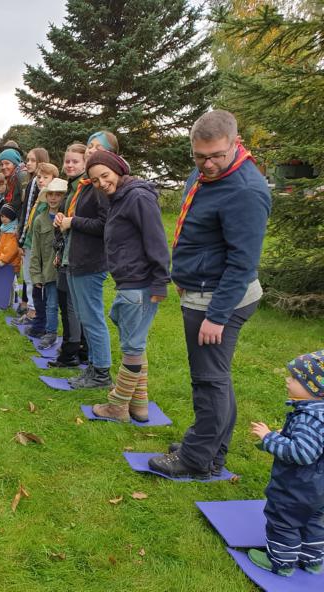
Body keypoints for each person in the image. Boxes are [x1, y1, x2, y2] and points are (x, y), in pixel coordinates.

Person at [148, 110, 271, 479]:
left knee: (208, 380)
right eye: (200, 157)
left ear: (235, 144)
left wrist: (217, 316)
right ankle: (211, 449)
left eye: (217, 155)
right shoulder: (204, 173)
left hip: (220, 298)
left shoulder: (246, 191)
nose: (209, 164)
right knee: (217, 376)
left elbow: (242, 262)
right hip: (202, 289)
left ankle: (196, 459)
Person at [84, 151, 169, 422]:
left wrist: (160, 282)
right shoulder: (119, 197)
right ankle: (140, 405)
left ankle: (117, 406)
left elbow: (156, 239)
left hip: (140, 282)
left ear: (118, 170)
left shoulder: (138, 197)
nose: (101, 183)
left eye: (105, 176)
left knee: (132, 346)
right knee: (135, 342)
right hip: (129, 281)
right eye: (95, 180)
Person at [247, 350, 324, 577]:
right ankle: (312, 560)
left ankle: (281, 562)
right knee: (314, 521)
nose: (288, 380)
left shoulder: (307, 418)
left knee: (284, 521)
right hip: (319, 488)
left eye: (296, 378)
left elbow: (303, 453)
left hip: (297, 486)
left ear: (314, 389)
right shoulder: (319, 413)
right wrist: (288, 434)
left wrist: (270, 438)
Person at [54, 131, 113, 389]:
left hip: (91, 261)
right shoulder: (87, 185)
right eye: (89, 146)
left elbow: (105, 223)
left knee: (93, 318)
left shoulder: (99, 186)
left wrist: (72, 222)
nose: (90, 151)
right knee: (85, 317)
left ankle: (101, 373)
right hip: (77, 258)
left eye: (97, 148)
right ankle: (92, 367)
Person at [49, 143, 89, 368]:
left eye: (75, 161)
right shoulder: (71, 189)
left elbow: (82, 221)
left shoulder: (85, 188)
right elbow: (65, 221)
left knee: (71, 306)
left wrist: (69, 222)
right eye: (67, 161)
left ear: (85, 163)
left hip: (77, 257)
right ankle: (78, 348)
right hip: (65, 253)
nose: (70, 165)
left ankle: (71, 350)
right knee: (69, 304)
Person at [19, 162, 59, 331]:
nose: (41, 180)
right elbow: (32, 222)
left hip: (45, 253)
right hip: (32, 244)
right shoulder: (40, 198)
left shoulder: (50, 203)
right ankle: (34, 313)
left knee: (40, 285)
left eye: (45, 177)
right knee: (29, 278)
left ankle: (37, 316)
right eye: (39, 177)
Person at [28, 177, 68, 349]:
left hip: (68, 270)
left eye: (58, 195)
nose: (53, 198)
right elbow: (35, 251)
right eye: (50, 194)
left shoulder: (69, 218)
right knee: (51, 304)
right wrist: (36, 275)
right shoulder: (39, 221)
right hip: (49, 272)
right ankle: (50, 332)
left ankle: (72, 338)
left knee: (69, 308)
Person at [17, 148, 50, 321]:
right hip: (28, 238)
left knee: (35, 277)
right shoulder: (31, 183)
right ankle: (31, 309)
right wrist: (21, 238)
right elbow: (26, 212)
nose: (27, 163)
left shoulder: (42, 186)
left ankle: (35, 311)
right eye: (27, 159)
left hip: (38, 240)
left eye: (31, 160)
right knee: (28, 275)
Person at [0, 203, 21, 272]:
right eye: (2, 216)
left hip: (11, 266)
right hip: (5, 264)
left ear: (12, 217)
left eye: (6, 216)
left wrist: (3, 260)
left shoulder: (12, 231)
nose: (3, 219)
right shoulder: (4, 228)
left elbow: (12, 249)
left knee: (11, 282)